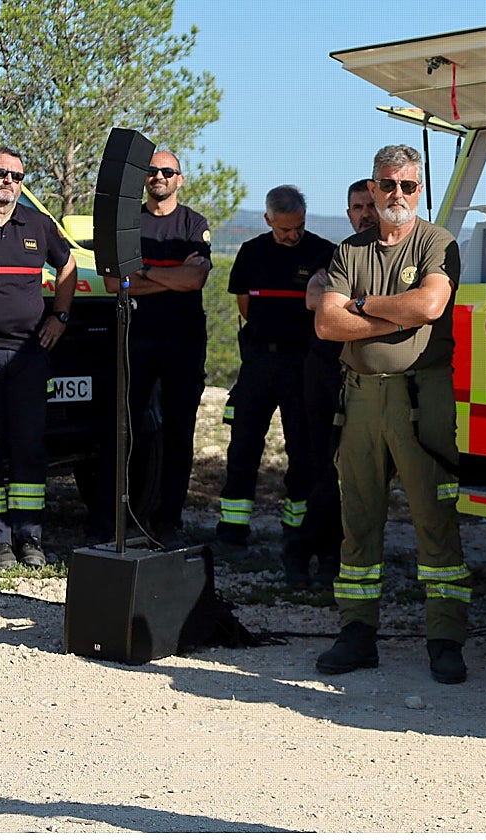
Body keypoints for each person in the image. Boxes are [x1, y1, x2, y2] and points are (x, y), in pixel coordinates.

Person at [313, 145, 471, 685]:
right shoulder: (350, 249)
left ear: (419, 190)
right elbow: (327, 325)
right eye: (386, 185)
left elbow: (428, 307)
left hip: (420, 399)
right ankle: (357, 632)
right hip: (359, 398)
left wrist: (362, 304)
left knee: (434, 518)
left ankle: (446, 638)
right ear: (372, 189)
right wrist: (388, 313)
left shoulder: (437, 242)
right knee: (357, 517)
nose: (396, 195)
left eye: (406, 186)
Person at [216, 186, 336, 586]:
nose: (292, 235)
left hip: (303, 363)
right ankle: (233, 533)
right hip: (259, 363)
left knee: (303, 451)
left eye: (298, 227)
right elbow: (245, 307)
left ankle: (296, 533)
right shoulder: (251, 252)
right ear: (268, 220)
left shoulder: (322, 251)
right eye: (285, 229)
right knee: (244, 446)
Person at [0, 147, 77, 569]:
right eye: (0, 173)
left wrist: (60, 317)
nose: (9, 181)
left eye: (17, 175)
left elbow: (66, 268)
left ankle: (30, 540)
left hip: (30, 354)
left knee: (29, 447)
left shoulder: (38, 224)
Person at [103, 150, 211, 548]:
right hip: (136, 338)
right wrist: (171, 277)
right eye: (152, 171)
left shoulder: (193, 224)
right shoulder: (128, 222)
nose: (159, 176)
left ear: (180, 179)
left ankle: (169, 519)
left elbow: (196, 279)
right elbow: (116, 283)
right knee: (124, 430)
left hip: (182, 342)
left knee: (178, 432)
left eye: (168, 171)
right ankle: (112, 517)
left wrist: (143, 272)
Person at [297, 179, 379, 588]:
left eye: (370, 204)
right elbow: (315, 298)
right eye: (356, 206)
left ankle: (322, 550)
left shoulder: (397, 256)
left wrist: (348, 303)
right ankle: (314, 552)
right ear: (347, 213)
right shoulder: (340, 255)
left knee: (360, 471)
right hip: (325, 371)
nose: (364, 213)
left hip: (370, 376)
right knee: (325, 465)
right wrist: (374, 306)